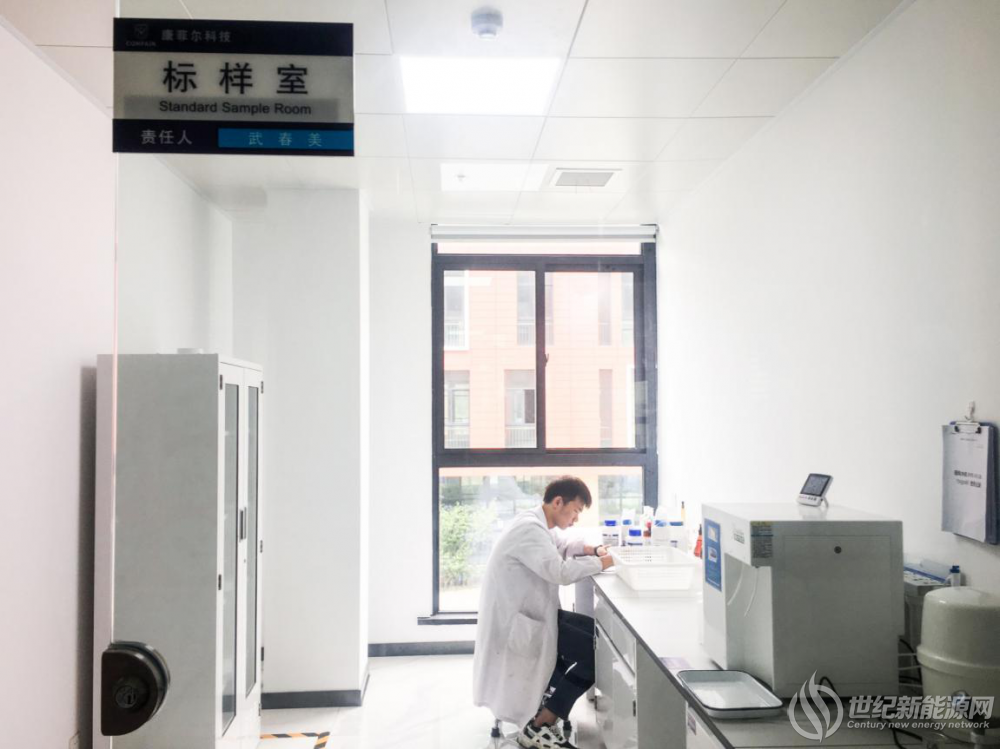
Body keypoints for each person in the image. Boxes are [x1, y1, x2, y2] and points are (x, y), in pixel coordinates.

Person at [473, 476, 615, 749]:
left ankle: (544, 704)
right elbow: (559, 572)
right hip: (519, 623)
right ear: (558, 502)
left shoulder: (536, 523)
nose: (576, 518)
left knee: (596, 634)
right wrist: (605, 562)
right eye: (575, 510)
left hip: (535, 615)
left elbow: (561, 545)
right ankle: (540, 724)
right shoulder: (530, 530)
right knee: (598, 653)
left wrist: (594, 550)